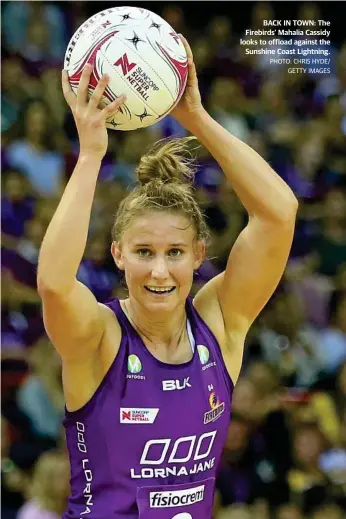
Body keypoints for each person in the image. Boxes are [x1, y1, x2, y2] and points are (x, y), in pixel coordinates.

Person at [37, 36, 298, 519]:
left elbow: (279, 214)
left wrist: (195, 116)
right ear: (118, 255)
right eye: (143, 252)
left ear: (199, 254)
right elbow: (54, 284)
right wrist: (91, 154)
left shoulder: (220, 325)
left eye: (174, 252)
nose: (159, 270)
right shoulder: (99, 338)